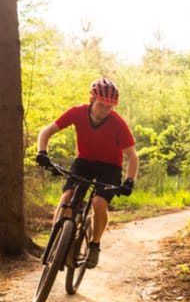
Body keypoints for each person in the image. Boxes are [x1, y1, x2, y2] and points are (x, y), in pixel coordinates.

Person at [34, 77, 139, 268]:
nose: (104, 110)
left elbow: (132, 156)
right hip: (84, 162)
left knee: (99, 204)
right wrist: (42, 152)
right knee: (67, 197)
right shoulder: (77, 112)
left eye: (109, 107)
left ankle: (94, 244)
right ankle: (57, 238)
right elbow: (46, 131)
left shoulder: (118, 124)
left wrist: (129, 180)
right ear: (92, 100)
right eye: (101, 105)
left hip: (110, 167)